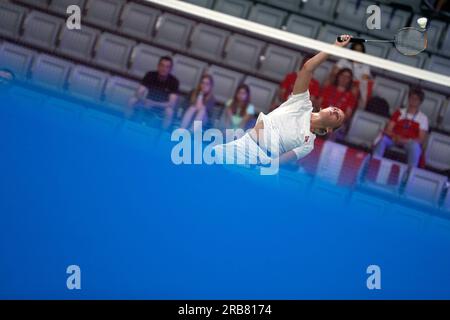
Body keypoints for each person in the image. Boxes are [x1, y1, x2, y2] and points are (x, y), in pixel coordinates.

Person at [213, 35, 352, 167]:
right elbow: (307, 68)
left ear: (329, 129)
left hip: (262, 162)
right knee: (210, 159)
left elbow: (280, 161)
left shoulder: (308, 143)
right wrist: (335, 47)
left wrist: (262, 166)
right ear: (323, 108)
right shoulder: (302, 103)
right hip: (245, 145)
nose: (336, 110)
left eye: (338, 115)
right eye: (335, 108)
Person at [373, 87, 429, 168]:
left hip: (409, 142)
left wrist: (406, 140)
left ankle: (410, 173)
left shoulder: (423, 118)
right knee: (382, 140)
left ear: (420, 102)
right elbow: (389, 129)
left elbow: (420, 139)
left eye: (416, 99)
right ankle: (374, 165)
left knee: (415, 147)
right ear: (408, 98)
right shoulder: (399, 112)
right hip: (394, 138)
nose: (413, 100)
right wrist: (395, 137)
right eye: (411, 97)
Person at [128, 56, 179, 129]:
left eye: (167, 67)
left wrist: (154, 104)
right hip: (146, 103)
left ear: (170, 69)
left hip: (162, 107)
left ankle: (162, 134)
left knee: (169, 112)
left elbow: (172, 103)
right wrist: (145, 101)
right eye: (162, 65)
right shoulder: (150, 75)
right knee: (132, 100)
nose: (164, 69)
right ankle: (126, 124)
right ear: (158, 66)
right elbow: (138, 92)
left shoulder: (174, 81)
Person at [327, 42, 372, 107]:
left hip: (353, 85)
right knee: (328, 81)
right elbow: (334, 72)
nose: (357, 52)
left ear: (362, 52)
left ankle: (351, 108)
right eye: (355, 49)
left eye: (359, 50)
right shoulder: (343, 61)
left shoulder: (365, 66)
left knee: (355, 90)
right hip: (340, 82)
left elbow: (364, 82)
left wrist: (350, 83)